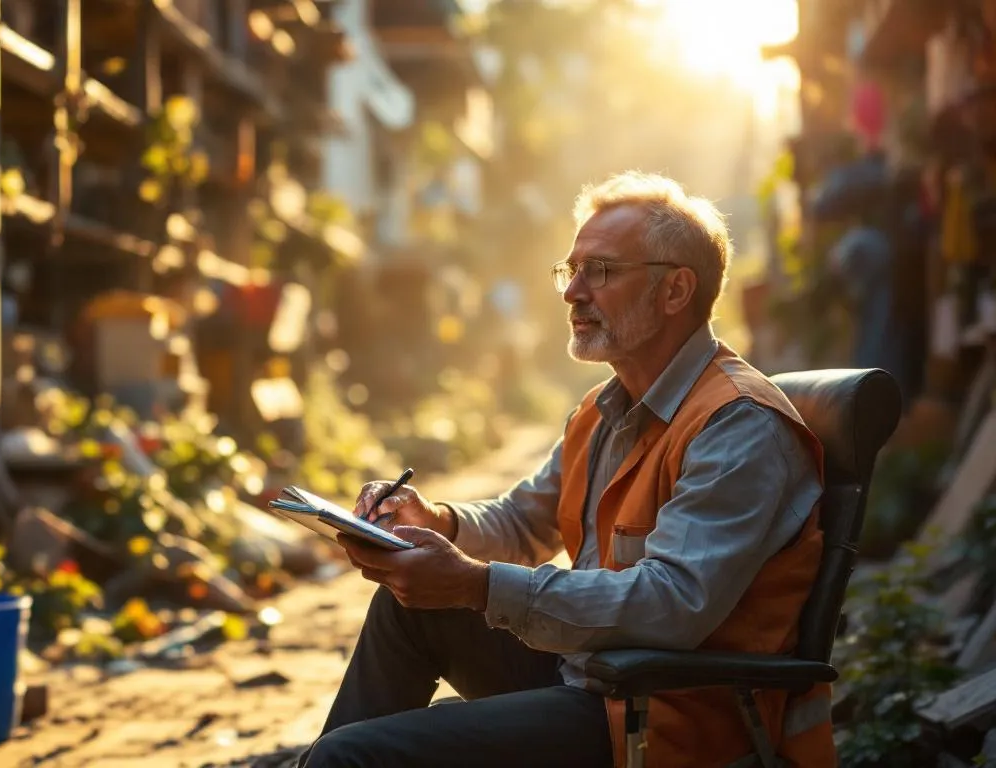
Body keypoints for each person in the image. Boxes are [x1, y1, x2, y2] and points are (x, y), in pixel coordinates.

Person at [295, 172, 835, 768]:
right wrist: (438, 522)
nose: (572, 292)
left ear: (675, 290)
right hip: (595, 680)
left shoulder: (739, 426)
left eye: (600, 271)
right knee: (408, 608)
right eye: (570, 270)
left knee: (351, 758)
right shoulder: (605, 408)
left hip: (670, 719)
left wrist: (474, 585)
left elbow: (672, 603)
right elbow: (526, 521)